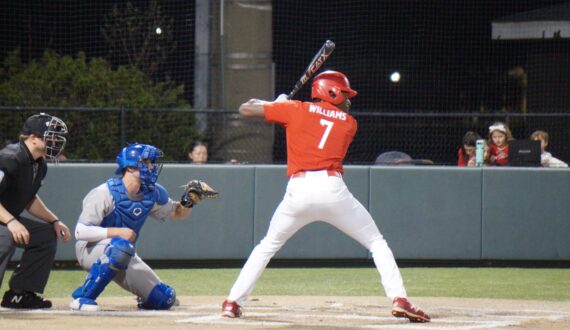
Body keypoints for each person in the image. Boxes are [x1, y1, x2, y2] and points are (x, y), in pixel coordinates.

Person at [221, 70, 430, 323]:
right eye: (345, 94)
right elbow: (320, 118)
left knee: (267, 245)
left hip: (298, 191)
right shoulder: (349, 123)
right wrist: (283, 106)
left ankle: (233, 301)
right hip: (332, 190)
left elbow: (245, 109)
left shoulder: (296, 109)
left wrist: (275, 105)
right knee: (376, 242)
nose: (348, 100)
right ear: (331, 92)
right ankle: (399, 298)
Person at [69, 143, 218, 311]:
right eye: (147, 162)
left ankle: (146, 296)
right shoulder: (104, 192)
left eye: (153, 162)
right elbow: (80, 231)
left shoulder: (150, 193)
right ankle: (82, 297)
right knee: (120, 248)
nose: (152, 166)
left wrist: (189, 199)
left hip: (124, 252)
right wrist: (116, 232)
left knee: (165, 299)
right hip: (89, 249)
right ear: (130, 167)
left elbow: (177, 213)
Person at [0, 113, 71, 309]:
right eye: (50, 137)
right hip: (3, 222)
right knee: (6, 235)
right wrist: (11, 222)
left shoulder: (39, 164)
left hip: (3, 219)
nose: (56, 142)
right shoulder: (9, 157)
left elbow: (29, 198)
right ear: (32, 138)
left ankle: (19, 294)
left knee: (45, 235)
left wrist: (54, 221)